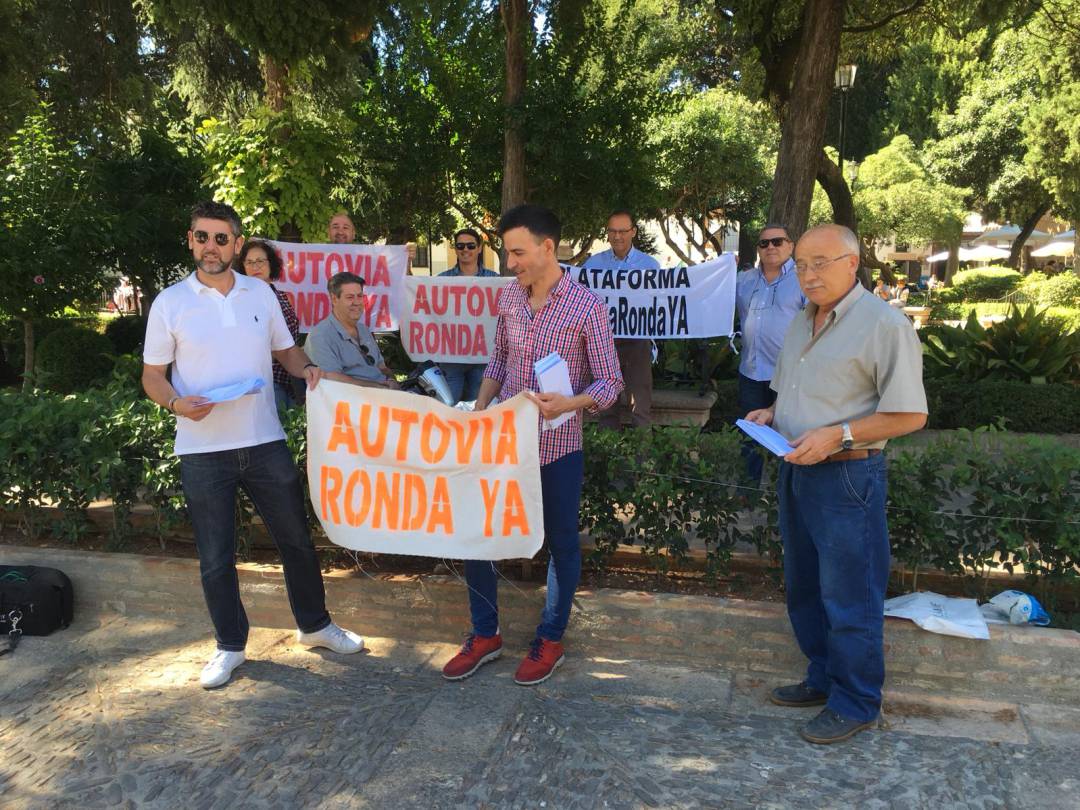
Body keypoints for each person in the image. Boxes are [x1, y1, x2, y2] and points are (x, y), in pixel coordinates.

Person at [141, 201, 365, 690]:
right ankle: (229, 646)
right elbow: (153, 377)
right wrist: (178, 405)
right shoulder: (169, 303)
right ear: (191, 239)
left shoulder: (260, 294)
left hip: (265, 441)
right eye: (203, 237)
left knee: (297, 543)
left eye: (222, 239)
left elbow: (285, 350)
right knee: (216, 556)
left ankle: (315, 626)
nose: (212, 247)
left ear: (237, 245)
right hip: (202, 449)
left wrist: (306, 368)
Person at [744, 224, 927, 745]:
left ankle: (857, 701)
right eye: (802, 264)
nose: (808, 273)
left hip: (849, 475)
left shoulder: (884, 324)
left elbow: (910, 414)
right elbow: (795, 393)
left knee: (849, 594)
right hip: (796, 467)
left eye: (820, 262)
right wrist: (772, 413)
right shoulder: (803, 321)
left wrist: (838, 435)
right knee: (805, 588)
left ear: (853, 262)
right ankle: (822, 677)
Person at [441, 204, 622, 686]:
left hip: (557, 448)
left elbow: (610, 383)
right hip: (501, 444)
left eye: (518, 252)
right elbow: (497, 360)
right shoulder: (509, 298)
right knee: (477, 536)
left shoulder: (587, 307)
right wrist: (478, 413)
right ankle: (485, 635)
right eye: (507, 253)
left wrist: (570, 403)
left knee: (562, 545)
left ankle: (551, 638)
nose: (511, 262)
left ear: (547, 247)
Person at [734, 223, 805, 483]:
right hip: (751, 372)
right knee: (752, 434)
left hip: (790, 374)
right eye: (764, 243)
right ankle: (748, 491)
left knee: (789, 435)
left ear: (790, 245)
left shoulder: (803, 279)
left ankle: (784, 489)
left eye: (777, 241)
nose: (770, 247)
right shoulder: (744, 281)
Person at [582, 210, 659, 429]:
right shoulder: (592, 265)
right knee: (606, 408)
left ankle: (642, 463)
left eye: (623, 231)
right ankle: (607, 459)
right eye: (613, 231)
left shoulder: (650, 265)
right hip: (604, 344)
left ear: (633, 232)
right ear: (607, 234)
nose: (618, 236)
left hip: (638, 343)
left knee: (640, 409)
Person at [305, 272, 399, 389]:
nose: (357, 302)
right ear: (334, 299)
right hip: (353, 402)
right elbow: (330, 380)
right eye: (350, 297)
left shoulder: (363, 330)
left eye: (359, 296)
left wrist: (391, 380)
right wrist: (377, 387)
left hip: (385, 397)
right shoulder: (320, 336)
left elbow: (382, 367)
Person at [237, 238, 301, 410]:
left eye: (260, 261)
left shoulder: (282, 296)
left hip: (290, 378)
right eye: (249, 262)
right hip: (265, 380)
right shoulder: (240, 299)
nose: (255, 266)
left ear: (271, 263)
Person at [438, 228, 500, 403]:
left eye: (471, 245)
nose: (465, 250)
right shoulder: (441, 280)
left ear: (479, 248)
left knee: (477, 408)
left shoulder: (495, 280)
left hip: (482, 357)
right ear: (455, 249)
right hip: (451, 357)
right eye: (460, 245)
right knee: (448, 406)